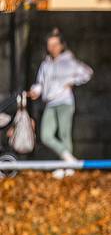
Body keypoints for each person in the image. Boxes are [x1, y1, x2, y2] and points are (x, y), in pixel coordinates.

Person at [28, 28, 93, 179]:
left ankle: (66, 167)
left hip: (65, 101)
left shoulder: (69, 61)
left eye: (55, 45)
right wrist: (35, 91)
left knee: (64, 134)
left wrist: (72, 82)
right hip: (50, 102)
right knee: (46, 135)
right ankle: (69, 161)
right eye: (50, 45)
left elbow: (87, 72)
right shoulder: (46, 64)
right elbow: (40, 83)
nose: (52, 48)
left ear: (61, 45)